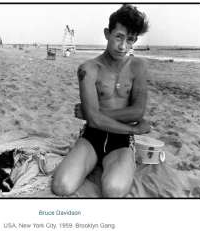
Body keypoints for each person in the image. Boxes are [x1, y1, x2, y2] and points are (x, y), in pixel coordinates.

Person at [52, 4, 151, 197]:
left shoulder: (138, 67)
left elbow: (137, 112)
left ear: (134, 41)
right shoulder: (88, 69)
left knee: (113, 191)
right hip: (92, 136)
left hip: (120, 141)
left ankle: (108, 164)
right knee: (61, 186)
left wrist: (91, 112)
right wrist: (133, 129)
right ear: (107, 33)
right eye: (119, 37)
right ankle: (92, 161)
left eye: (129, 40)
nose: (123, 46)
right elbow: (94, 122)